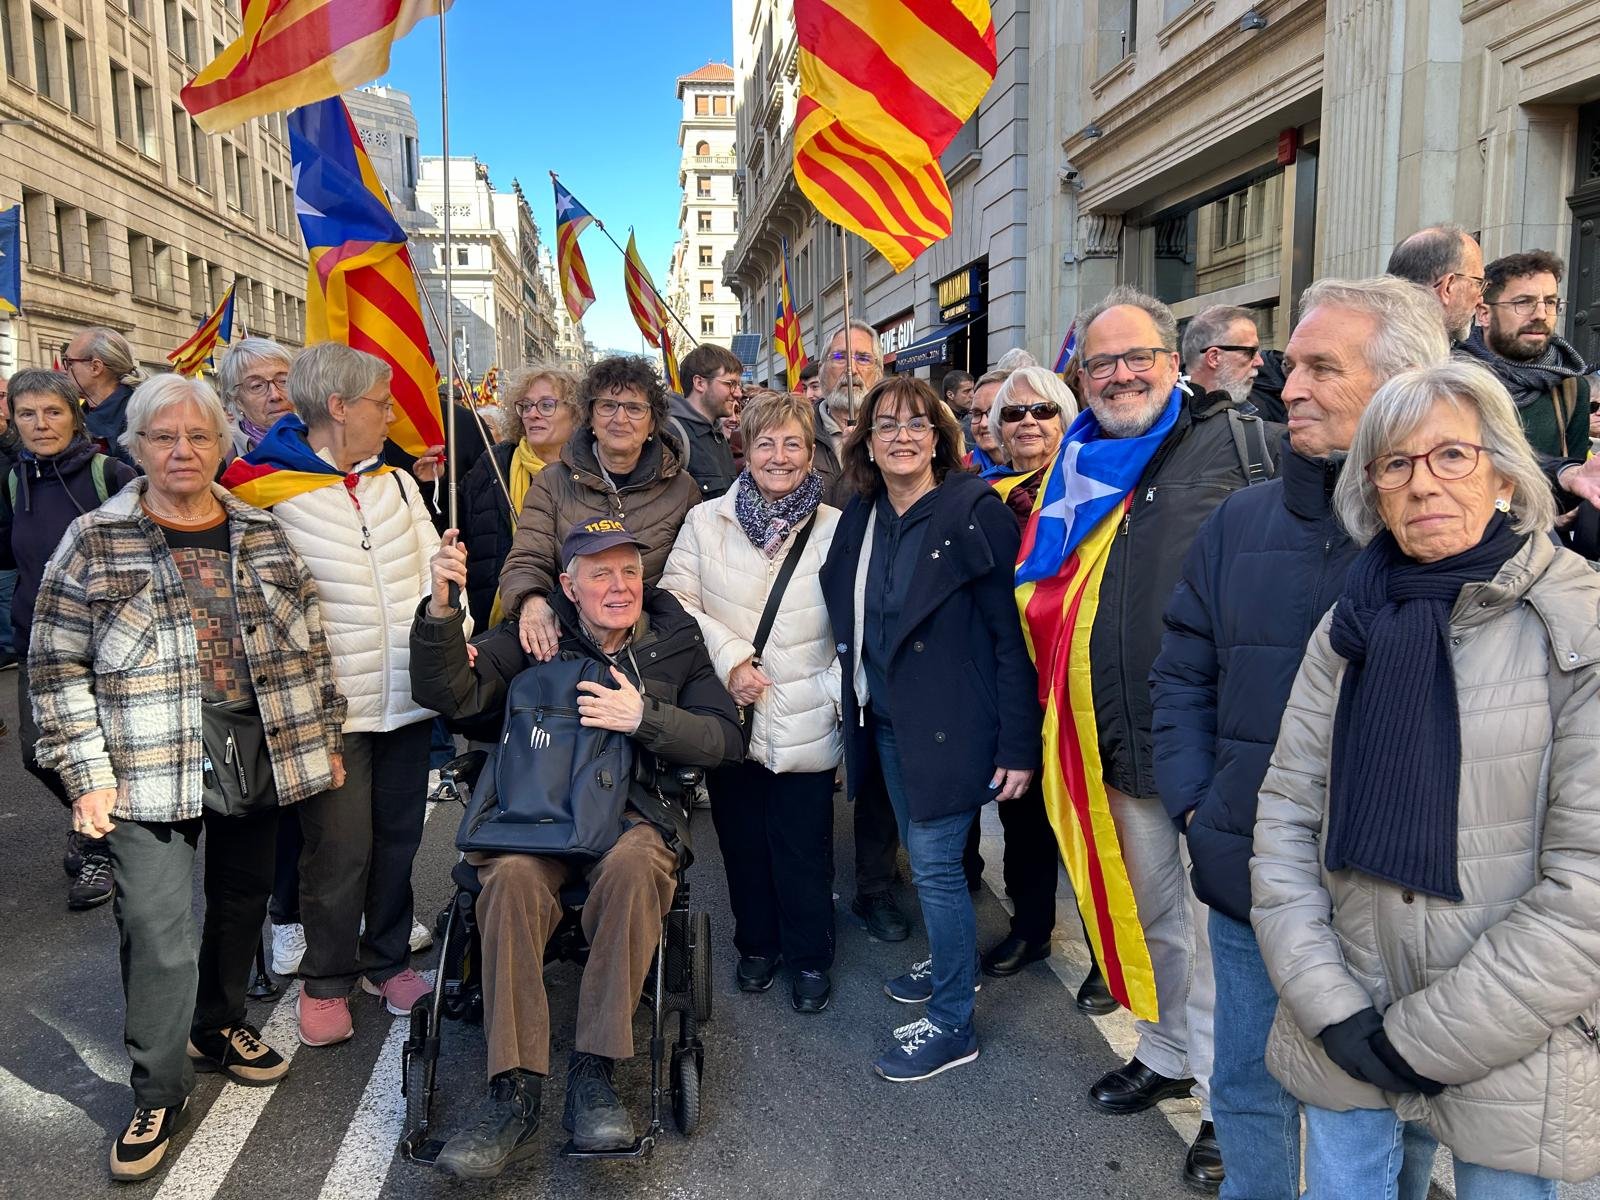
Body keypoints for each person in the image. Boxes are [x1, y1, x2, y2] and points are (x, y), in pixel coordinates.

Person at [1251, 360, 1600, 1198]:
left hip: (1514, 1034)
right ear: (1373, 491)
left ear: (1505, 475)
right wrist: (1329, 1004)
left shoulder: (1579, 620)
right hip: (1345, 1017)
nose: (1421, 483)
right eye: (1395, 464)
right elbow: (1287, 817)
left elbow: (1588, 885)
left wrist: (1425, 1042)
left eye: (1452, 455)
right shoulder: (1348, 624)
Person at [1150, 276, 1450, 1199]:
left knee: (1386, 1114)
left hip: (1395, 900)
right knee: (1247, 1087)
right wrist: (1197, 805)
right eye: (1295, 365)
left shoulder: (1451, 536)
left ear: (1398, 384)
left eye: (1324, 367)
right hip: (1247, 873)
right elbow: (1182, 670)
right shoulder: (1240, 520)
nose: (1292, 386)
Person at [29, 373, 344, 1182]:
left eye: (199, 436)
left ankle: (218, 1023)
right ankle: (159, 1090)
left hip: (256, 739)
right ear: (135, 447)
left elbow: (310, 640)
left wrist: (325, 734)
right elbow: (55, 666)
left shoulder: (261, 530)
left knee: (241, 902)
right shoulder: (95, 539)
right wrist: (85, 775)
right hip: (144, 754)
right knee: (157, 930)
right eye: (164, 437)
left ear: (221, 444)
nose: (182, 451)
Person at [1034, 286, 1283, 1190]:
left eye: (1137, 356)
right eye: (1101, 363)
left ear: (1177, 362)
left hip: (1218, 744)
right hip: (1119, 740)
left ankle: (1227, 1104)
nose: (1120, 375)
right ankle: (1168, 1049)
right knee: (1153, 919)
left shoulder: (1244, 444)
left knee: (1224, 938)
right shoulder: (1079, 461)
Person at [411, 519, 742, 1179]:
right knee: (509, 878)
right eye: (600, 574)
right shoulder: (536, 635)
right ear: (568, 585)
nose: (619, 587)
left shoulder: (674, 641)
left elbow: (725, 739)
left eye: (629, 572)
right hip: (537, 819)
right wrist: (443, 612)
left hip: (631, 817)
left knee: (638, 866)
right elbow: (452, 696)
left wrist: (643, 718)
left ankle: (595, 1072)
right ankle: (513, 1091)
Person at [221, 342, 451, 1044]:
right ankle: (325, 980)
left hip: (408, 697)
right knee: (337, 849)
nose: (393, 413)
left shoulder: (398, 483)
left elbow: (432, 574)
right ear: (340, 407)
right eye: (382, 402)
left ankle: (387, 961)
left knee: (399, 839)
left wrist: (453, 629)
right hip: (328, 710)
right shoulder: (262, 491)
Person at [820, 376, 1040, 1081]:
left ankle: (952, 1022)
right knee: (927, 859)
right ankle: (953, 965)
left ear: (940, 437)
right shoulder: (862, 513)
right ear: (866, 442)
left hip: (954, 724)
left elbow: (1011, 638)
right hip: (887, 720)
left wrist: (1019, 743)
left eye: (918, 423)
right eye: (887, 425)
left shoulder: (974, 511)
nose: (903, 437)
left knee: (937, 865)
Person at [661, 392, 841, 1013]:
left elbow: (858, 622)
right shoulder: (705, 521)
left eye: (793, 443)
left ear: (811, 453)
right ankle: (757, 946)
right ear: (745, 449)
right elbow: (676, 602)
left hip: (806, 712)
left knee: (803, 847)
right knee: (741, 843)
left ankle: (811, 956)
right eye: (766, 443)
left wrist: (830, 691)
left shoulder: (836, 528)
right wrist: (732, 658)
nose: (779, 456)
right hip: (729, 713)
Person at [0, 368, 139, 909]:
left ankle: (100, 844)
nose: (40, 424)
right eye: (27, 413)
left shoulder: (111, 474)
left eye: (53, 412)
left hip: (106, 643)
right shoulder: (15, 481)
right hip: (37, 643)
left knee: (105, 751)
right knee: (39, 753)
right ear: (13, 419)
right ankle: (101, 820)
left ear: (75, 416)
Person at [971, 367, 1075, 979]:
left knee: (1089, 819)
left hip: (1079, 677)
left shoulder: (1093, 488)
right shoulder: (983, 494)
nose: (1028, 422)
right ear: (997, 429)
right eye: (1013, 414)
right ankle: (1031, 928)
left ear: (1065, 418)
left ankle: (1107, 957)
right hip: (1012, 678)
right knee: (1022, 811)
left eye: (1042, 410)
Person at [499, 355, 700, 664]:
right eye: (607, 406)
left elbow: (692, 577)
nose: (620, 418)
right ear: (590, 417)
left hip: (654, 646)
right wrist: (532, 599)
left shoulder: (682, 488)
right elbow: (527, 558)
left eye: (634, 408)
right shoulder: (552, 481)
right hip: (568, 642)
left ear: (652, 423)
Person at [458, 364, 581, 629]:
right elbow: (457, 527)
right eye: (526, 406)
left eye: (546, 405)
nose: (532, 414)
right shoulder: (494, 464)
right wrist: (431, 484)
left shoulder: (591, 471)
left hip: (574, 621)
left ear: (576, 413)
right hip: (496, 619)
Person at [1459, 250, 1591, 461]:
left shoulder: (1570, 387)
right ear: (1484, 314)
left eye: (1550, 302)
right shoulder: (1450, 379)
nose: (1541, 315)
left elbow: (1574, 474)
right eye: (1523, 302)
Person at [1385, 224, 1486, 344]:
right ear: (1448, 287)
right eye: (1478, 283)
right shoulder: (1414, 352)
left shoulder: (1374, 335)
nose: (1480, 300)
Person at [669, 343, 743, 499]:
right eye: (730, 384)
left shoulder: (718, 435)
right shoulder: (671, 434)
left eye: (738, 385)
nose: (738, 393)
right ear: (699, 383)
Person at [61, 327, 142, 468]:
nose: (64, 370)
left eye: (69, 362)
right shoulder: (76, 415)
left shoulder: (140, 413)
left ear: (95, 367)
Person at [216, 337, 295, 457]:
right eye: (257, 386)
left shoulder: (321, 439)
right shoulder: (220, 454)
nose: (275, 395)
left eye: (283, 381)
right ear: (237, 400)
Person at [1180, 306, 1265, 406]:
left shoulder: (1260, 404)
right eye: (1249, 352)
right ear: (1214, 358)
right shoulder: (1169, 410)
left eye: (1258, 351)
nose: (1260, 362)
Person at [962, 369, 1009, 474]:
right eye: (976, 413)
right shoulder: (959, 472)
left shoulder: (1041, 474)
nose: (984, 423)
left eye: (994, 412)